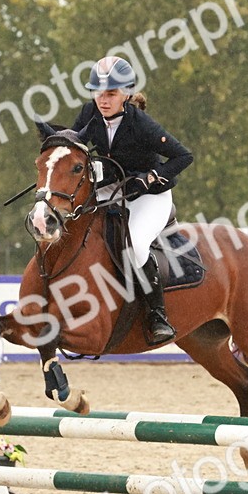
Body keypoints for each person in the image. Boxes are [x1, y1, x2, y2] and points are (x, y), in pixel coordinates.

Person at [69, 55, 193, 345]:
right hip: (111, 190)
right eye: (98, 92)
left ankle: (157, 316)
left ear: (125, 94)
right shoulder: (90, 114)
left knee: (136, 245)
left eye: (110, 93)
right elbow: (74, 143)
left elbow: (183, 156)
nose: (103, 99)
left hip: (148, 196)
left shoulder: (141, 124)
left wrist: (150, 178)